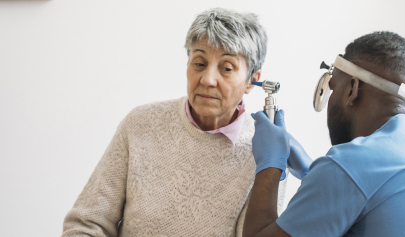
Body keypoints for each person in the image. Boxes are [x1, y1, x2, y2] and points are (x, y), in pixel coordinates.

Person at [243, 31, 405, 236]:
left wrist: (270, 165)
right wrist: (314, 173)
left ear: (352, 89)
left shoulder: (348, 165)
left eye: (333, 86)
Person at [62, 8, 277, 236]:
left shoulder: (266, 154)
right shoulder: (140, 124)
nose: (208, 79)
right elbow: (86, 224)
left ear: (252, 81)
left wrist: (272, 169)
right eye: (199, 63)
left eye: (226, 68)